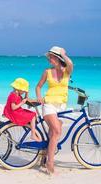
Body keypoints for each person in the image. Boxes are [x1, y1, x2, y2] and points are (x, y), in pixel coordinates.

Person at [36, 46, 73, 174]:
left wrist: (64, 54)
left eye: (52, 57)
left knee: (53, 134)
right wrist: (39, 97)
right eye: (49, 57)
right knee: (56, 131)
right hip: (49, 105)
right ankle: (49, 162)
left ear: (58, 58)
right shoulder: (47, 71)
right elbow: (38, 86)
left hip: (62, 106)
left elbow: (71, 64)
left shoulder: (67, 71)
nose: (50, 59)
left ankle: (44, 155)